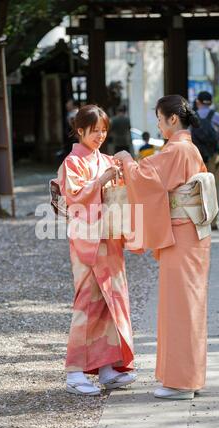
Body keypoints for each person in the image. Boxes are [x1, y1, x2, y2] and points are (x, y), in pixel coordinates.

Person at [115, 95, 215, 400]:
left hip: (184, 235)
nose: (158, 124)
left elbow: (146, 176)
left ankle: (181, 382)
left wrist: (125, 160)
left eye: (159, 118)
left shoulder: (179, 148)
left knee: (180, 307)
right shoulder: (185, 148)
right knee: (187, 306)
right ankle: (187, 378)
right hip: (189, 234)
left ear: (173, 119)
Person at [57, 104, 137, 396]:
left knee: (110, 302)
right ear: (80, 131)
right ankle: (75, 371)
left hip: (109, 239)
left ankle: (106, 368)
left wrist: (119, 175)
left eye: (104, 131)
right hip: (87, 241)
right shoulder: (71, 163)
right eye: (94, 131)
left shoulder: (105, 159)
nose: (100, 136)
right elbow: (74, 198)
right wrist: (100, 181)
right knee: (88, 304)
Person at [192, 91, 219, 230]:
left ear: (198, 102)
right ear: (211, 102)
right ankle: (214, 221)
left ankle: (200, 219)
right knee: (214, 188)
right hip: (215, 157)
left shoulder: (193, 117)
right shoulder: (218, 117)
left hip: (197, 158)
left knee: (197, 188)